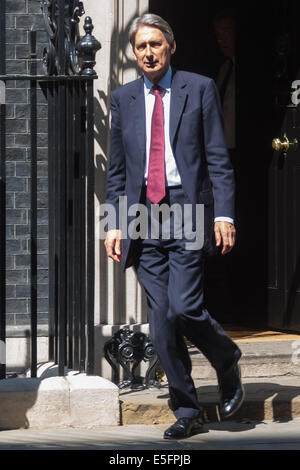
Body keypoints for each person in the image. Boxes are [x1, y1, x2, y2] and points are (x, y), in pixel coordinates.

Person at [104, 13, 244, 440]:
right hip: (143, 214)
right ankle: (187, 409)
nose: (148, 52)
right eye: (141, 46)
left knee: (184, 307)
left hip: (186, 208)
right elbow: (116, 171)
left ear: (171, 47)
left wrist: (224, 214)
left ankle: (225, 356)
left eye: (155, 44)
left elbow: (217, 157)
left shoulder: (198, 88)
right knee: (162, 321)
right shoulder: (122, 98)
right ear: (134, 53)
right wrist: (114, 224)